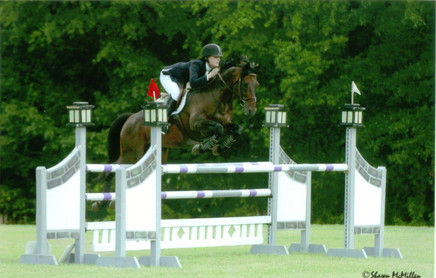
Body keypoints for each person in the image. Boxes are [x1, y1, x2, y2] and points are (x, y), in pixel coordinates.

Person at [159, 43, 223, 118]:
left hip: (180, 79)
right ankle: (165, 118)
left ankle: (167, 97)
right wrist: (209, 76)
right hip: (168, 74)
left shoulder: (211, 69)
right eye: (215, 57)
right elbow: (193, 83)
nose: (218, 59)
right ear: (207, 58)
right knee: (176, 93)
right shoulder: (196, 64)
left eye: (219, 57)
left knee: (183, 93)